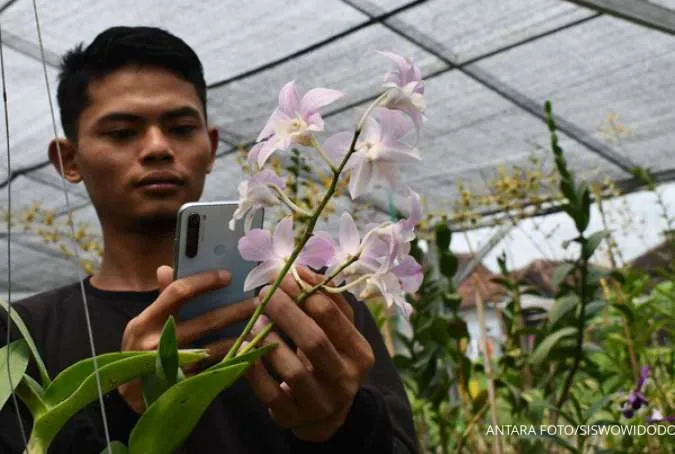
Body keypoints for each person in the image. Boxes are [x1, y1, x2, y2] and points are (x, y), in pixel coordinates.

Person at [0, 26, 418, 453]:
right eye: (122, 133)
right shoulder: (21, 335)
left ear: (211, 146)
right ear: (69, 160)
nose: (157, 148)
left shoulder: (316, 300)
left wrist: (345, 422)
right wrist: (125, 410)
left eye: (180, 128)